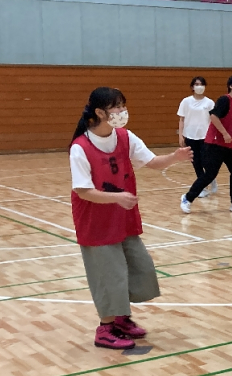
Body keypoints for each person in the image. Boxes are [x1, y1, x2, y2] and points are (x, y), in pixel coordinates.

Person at [70, 87, 193, 350]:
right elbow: (83, 191)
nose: (122, 111)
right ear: (100, 112)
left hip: (122, 217)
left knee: (140, 268)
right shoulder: (81, 147)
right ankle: (105, 329)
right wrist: (116, 197)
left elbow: (152, 161)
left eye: (123, 105)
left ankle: (121, 318)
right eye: (116, 106)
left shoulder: (125, 137)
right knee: (109, 274)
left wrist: (174, 158)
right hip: (96, 221)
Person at [180, 75, 232, 213]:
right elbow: (213, 116)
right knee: (210, 174)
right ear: (231, 86)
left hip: (231, 146)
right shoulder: (224, 100)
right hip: (216, 144)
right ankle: (187, 198)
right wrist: (224, 133)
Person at [177, 76, 216, 198]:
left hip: (205, 136)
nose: (199, 86)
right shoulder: (186, 101)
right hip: (190, 135)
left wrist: (214, 136)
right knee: (196, 162)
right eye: (197, 84)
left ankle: (209, 177)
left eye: (202, 84)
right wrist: (180, 135)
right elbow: (182, 119)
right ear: (192, 87)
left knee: (205, 160)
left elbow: (214, 120)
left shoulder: (209, 103)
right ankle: (203, 187)